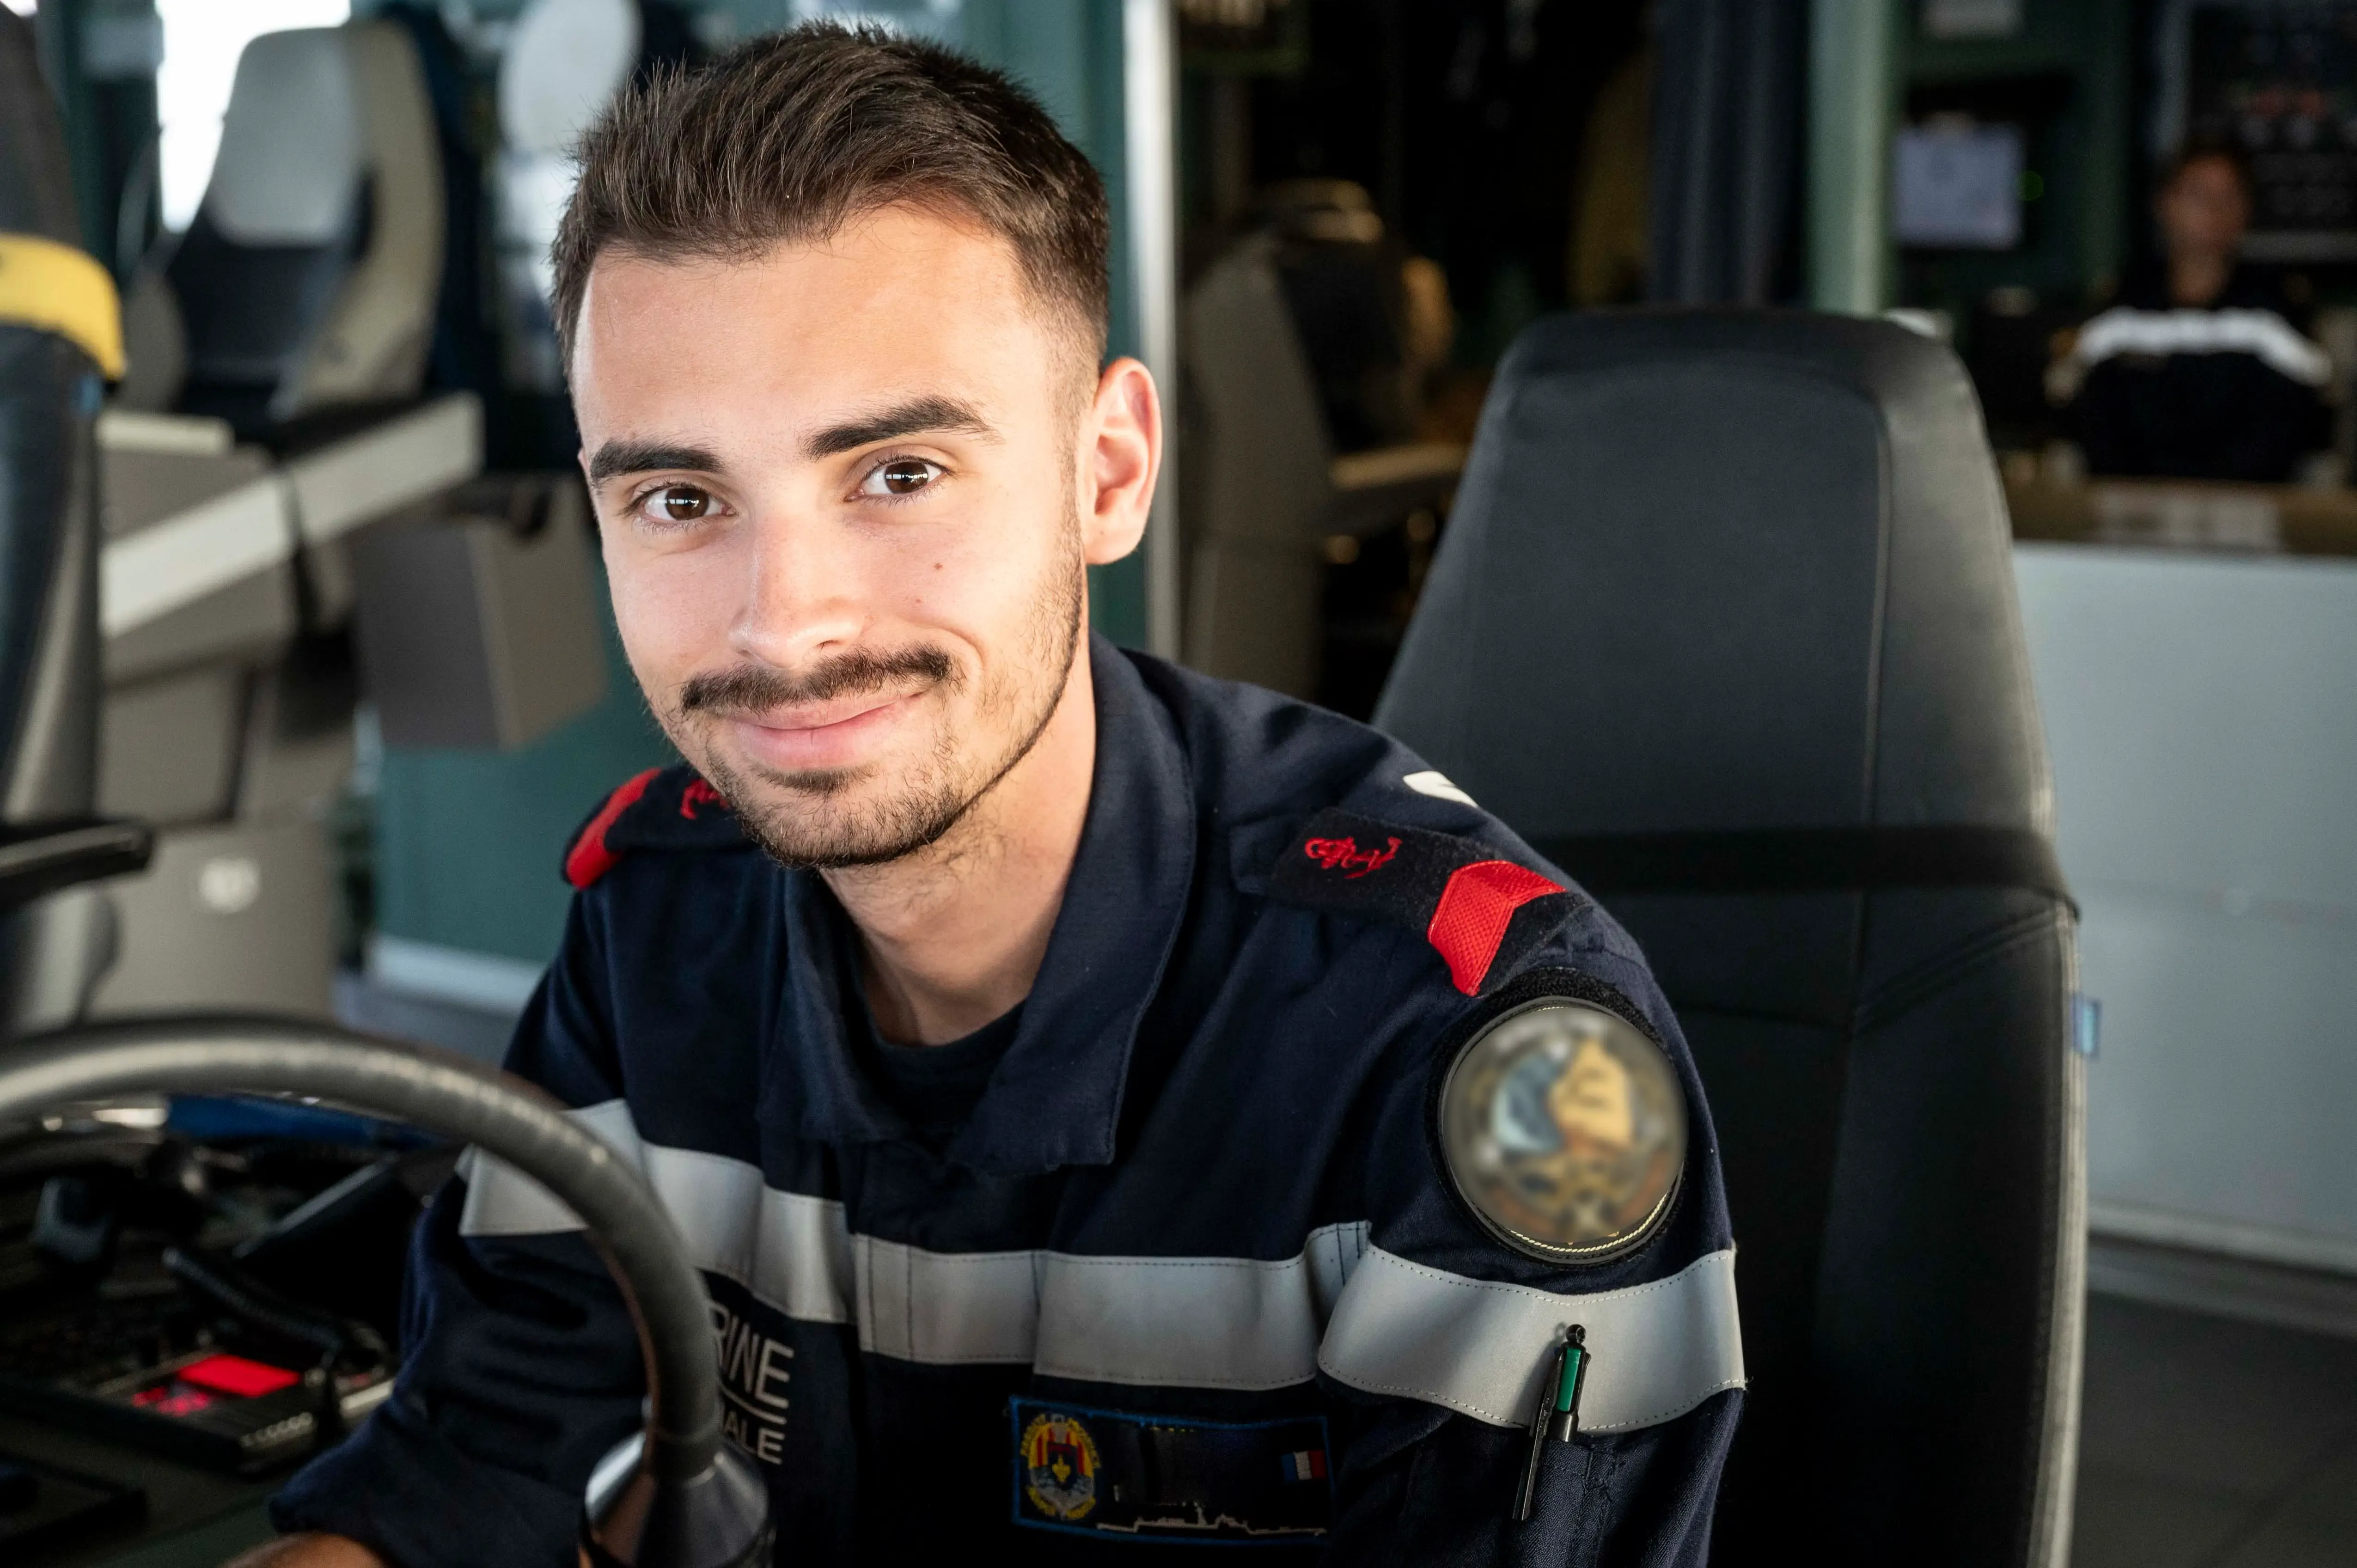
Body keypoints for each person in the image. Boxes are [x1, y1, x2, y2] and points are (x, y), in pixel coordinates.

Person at [236, 24, 1742, 1567]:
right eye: (683, 500)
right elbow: (471, 1465)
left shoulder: (1491, 1054)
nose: (785, 624)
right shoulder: (654, 929)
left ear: (1108, 472)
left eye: (896, 473)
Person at [2065, 144, 2333, 482]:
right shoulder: (2122, 305)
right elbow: (2090, 421)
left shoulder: (2276, 310)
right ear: (2164, 203)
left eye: (2229, 195)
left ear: (2247, 210)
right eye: (2198, 194)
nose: (2214, 209)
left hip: (2250, 510)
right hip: (2128, 509)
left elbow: (2295, 427)